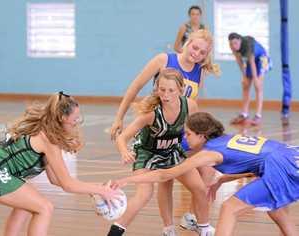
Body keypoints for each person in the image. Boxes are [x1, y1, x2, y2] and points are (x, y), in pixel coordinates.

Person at [114, 112, 299, 236]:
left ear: (202, 135)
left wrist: (128, 179)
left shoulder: (209, 153)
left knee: (229, 208)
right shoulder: (226, 140)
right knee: (276, 210)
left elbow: (164, 175)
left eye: (188, 134)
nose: (185, 138)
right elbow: (255, 164)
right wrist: (224, 179)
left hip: (281, 167)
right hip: (289, 155)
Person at [110, 29, 220, 233]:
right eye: (194, 47)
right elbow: (135, 87)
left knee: (207, 168)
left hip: (179, 131)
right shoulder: (164, 59)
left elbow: (193, 105)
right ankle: (168, 227)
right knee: (164, 181)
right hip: (156, 132)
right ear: (187, 42)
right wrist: (119, 118)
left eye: (202, 52)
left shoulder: (199, 71)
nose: (196, 53)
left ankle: (191, 217)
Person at [0, 92, 119, 236]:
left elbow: (55, 179)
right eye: (75, 118)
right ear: (62, 118)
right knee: (44, 208)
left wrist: (94, 189)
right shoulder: (48, 139)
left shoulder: (46, 130)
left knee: (25, 205)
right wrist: (101, 191)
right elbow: (68, 184)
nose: (77, 122)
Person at [228, 33, 272, 126]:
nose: (233, 46)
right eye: (231, 44)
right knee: (245, 85)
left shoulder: (247, 44)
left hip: (262, 58)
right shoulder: (233, 47)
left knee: (258, 86)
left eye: (235, 43)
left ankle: (258, 115)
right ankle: (244, 114)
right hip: (251, 60)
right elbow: (239, 61)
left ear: (240, 40)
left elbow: (252, 63)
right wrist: (244, 76)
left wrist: (256, 79)